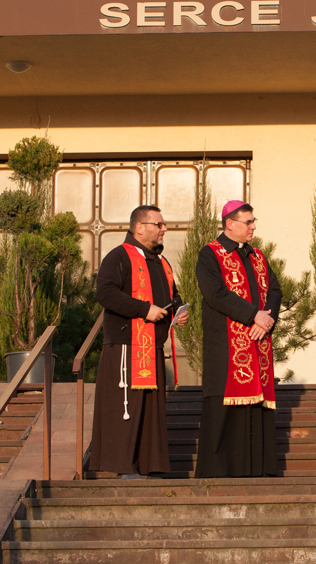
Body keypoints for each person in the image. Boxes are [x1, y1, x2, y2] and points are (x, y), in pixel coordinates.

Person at [90, 205, 188, 479]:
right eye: (159, 224)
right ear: (139, 227)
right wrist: (145, 310)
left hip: (152, 345)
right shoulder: (119, 256)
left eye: (163, 224)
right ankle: (123, 467)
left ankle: (149, 466)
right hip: (126, 345)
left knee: (149, 410)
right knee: (127, 408)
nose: (164, 229)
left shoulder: (161, 261)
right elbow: (105, 293)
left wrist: (178, 311)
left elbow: (173, 295)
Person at [195, 200, 282, 478]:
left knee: (256, 406)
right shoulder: (210, 254)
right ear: (230, 224)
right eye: (249, 222)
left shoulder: (257, 256)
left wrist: (266, 321)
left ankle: (256, 470)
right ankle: (218, 473)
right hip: (225, 346)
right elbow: (215, 294)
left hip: (258, 342)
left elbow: (275, 291)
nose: (253, 227)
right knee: (223, 408)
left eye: (254, 221)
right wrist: (254, 315)